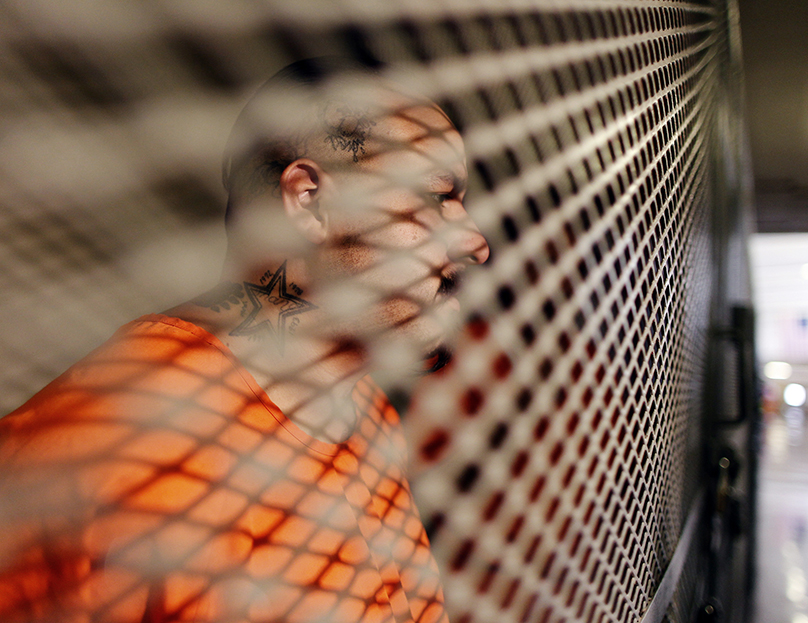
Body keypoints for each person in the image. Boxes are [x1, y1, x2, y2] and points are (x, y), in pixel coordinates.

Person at [0, 58, 489, 623]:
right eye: (438, 197)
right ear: (310, 201)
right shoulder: (128, 444)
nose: (475, 242)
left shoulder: (362, 411)